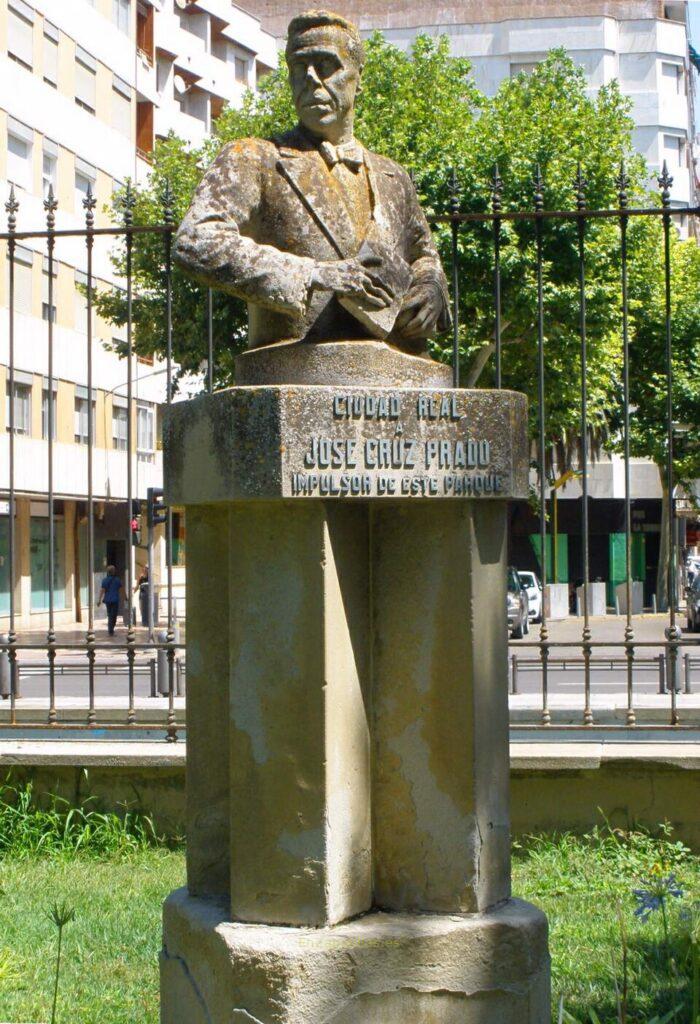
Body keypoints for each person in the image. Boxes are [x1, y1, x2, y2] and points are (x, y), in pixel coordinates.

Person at [174, 10, 450, 354]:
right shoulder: (254, 158)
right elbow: (196, 240)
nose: (310, 79)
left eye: (325, 65)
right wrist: (313, 274)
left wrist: (431, 287)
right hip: (293, 363)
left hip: (394, 365)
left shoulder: (394, 178)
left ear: (358, 77)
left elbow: (425, 257)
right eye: (298, 67)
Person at [98, 565, 123, 637]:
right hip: (115, 600)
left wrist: (99, 600)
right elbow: (122, 590)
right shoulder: (117, 580)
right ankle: (111, 630)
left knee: (110, 615)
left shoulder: (105, 580)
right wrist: (126, 598)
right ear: (113, 572)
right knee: (113, 616)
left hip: (108, 600)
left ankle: (110, 630)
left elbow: (102, 591)